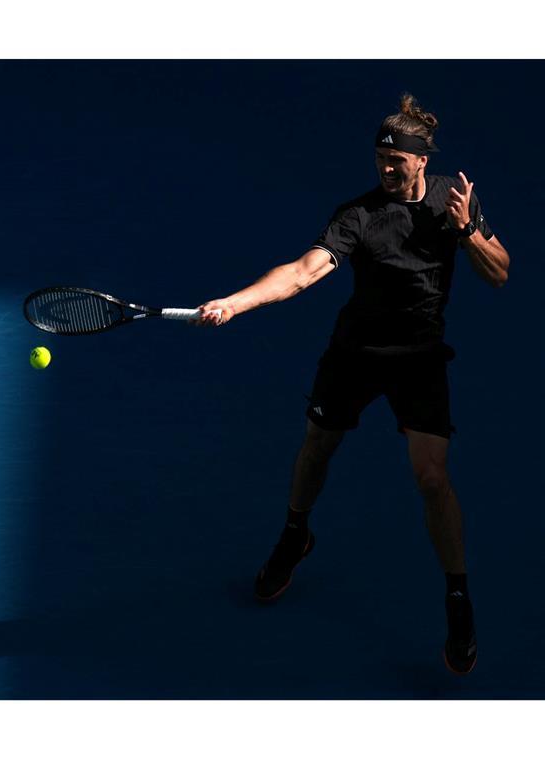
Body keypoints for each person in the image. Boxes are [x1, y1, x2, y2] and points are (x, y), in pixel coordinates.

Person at [194, 93, 510, 675]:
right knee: (318, 445)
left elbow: (500, 271)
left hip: (419, 359)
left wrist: (467, 232)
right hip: (355, 354)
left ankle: (458, 598)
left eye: (397, 161)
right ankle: (296, 534)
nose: (387, 170)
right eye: (379, 160)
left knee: (433, 477)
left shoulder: (452, 201)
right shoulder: (358, 216)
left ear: (422, 161)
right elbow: (301, 272)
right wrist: (236, 304)